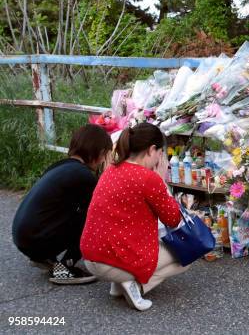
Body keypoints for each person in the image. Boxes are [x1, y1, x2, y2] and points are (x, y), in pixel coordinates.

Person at [81, 122, 189, 311]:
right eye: (160, 154)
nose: (160, 159)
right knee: (188, 254)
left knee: (134, 237)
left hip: (90, 256)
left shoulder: (111, 170)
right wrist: (162, 181)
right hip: (111, 260)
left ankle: (120, 283)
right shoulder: (149, 178)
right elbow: (173, 219)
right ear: (151, 150)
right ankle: (136, 285)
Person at [12, 124, 113, 284]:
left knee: (77, 213)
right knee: (92, 218)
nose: (102, 161)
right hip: (36, 240)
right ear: (98, 152)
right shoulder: (83, 176)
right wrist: (109, 175)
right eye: (104, 155)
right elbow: (102, 209)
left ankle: (44, 258)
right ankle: (66, 268)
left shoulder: (61, 166)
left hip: (22, 237)